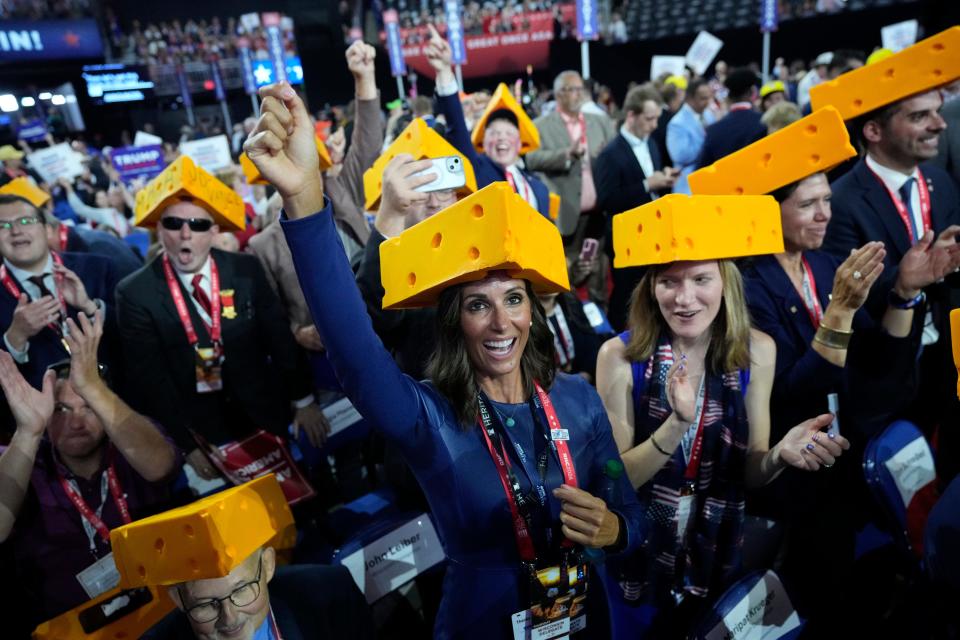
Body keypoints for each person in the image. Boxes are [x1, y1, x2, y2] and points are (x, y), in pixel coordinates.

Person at [245, 81, 645, 639]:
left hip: (582, 620)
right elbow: (354, 348)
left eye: (513, 299)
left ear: (533, 309)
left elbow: (630, 509)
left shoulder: (578, 400)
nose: (501, 322)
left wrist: (617, 530)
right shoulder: (430, 417)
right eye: (479, 305)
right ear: (455, 319)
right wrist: (306, 200)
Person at [594, 199, 851, 636]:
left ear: (726, 282)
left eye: (701, 279)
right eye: (669, 281)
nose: (685, 297)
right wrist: (675, 425)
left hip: (719, 544)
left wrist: (779, 457)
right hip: (639, 543)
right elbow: (615, 478)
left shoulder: (758, 352)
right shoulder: (619, 356)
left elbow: (752, 471)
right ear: (651, 287)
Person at [115, 162, 325, 481]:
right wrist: (188, 446)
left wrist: (304, 399)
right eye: (174, 223)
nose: (186, 233)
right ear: (159, 228)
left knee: (309, 492)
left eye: (198, 225)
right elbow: (151, 380)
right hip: (205, 434)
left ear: (214, 231)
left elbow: (279, 338)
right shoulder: (135, 293)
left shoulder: (245, 270)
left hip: (269, 412)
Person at [0, 311, 179, 628]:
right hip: (70, 629)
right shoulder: (24, 456)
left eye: (88, 407)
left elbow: (161, 467)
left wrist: (92, 386)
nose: (76, 422)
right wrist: (27, 432)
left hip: (163, 615)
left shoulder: (130, 440)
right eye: (61, 409)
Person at [822, 80, 960, 481]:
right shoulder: (841, 202)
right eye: (919, 116)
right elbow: (846, 302)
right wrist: (906, 281)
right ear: (874, 131)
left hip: (944, 363)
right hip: (881, 375)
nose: (939, 125)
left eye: (936, 111)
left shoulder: (939, 180)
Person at [424, 25, 552, 219]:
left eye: (509, 133)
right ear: (482, 142)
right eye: (494, 133)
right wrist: (444, 72)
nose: (502, 138)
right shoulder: (477, 169)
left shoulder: (538, 187)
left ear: (519, 143)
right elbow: (456, 126)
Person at [0, 194, 119, 390]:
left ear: (47, 229)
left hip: (111, 400)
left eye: (25, 221)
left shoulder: (99, 268)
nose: (15, 231)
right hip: (40, 413)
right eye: (3, 225)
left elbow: (130, 337)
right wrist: (14, 338)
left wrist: (91, 307)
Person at [145, 547, 374, 640]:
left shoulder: (328, 593)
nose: (230, 618)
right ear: (178, 599)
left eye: (242, 589)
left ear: (267, 566)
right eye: (206, 604)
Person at [525, 70, 615, 305]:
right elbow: (531, 159)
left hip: (599, 210)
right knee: (569, 274)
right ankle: (572, 322)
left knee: (598, 271)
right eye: (573, 89)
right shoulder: (540, 125)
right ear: (559, 94)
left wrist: (604, 156)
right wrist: (565, 155)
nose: (579, 95)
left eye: (580, 90)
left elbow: (615, 153)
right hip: (566, 211)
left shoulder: (600, 121)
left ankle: (600, 326)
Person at [595, 85, 678, 332]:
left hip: (653, 234)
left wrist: (663, 179)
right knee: (626, 298)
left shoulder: (650, 143)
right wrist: (646, 184)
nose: (654, 125)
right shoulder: (609, 154)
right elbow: (608, 200)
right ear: (631, 115)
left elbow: (650, 185)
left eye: (656, 119)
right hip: (625, 239)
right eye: (649, 118)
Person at [695, 68, 766, 169]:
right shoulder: (765, 122)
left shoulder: (713, 130)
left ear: (729, 96)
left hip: (727, 184)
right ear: (752, 92)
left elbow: (702, 171)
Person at [666, 77, 717, 194]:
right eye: (703, 98)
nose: (708, 102)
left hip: (709, 184)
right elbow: (680, 155)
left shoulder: (709, 115)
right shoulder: (676, 123)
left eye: (709, 97)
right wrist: (708, 145)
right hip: (687, 188)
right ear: (690, 98)